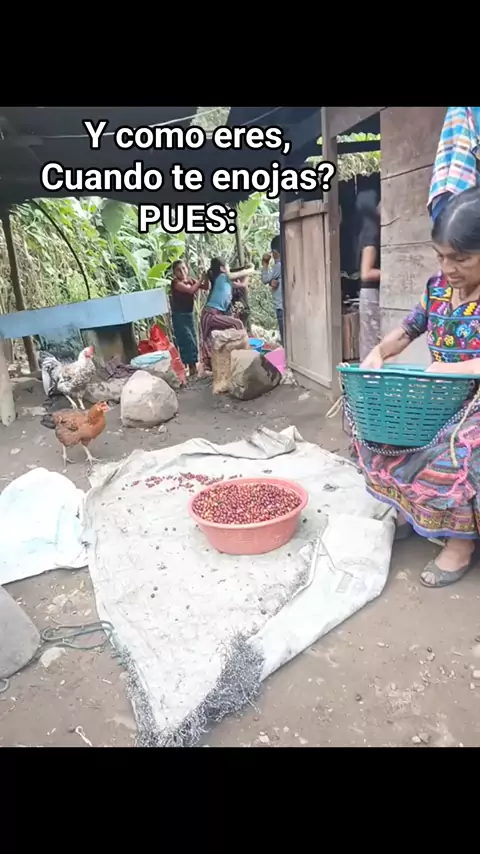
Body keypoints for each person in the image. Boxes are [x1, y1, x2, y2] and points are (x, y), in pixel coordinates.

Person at [357, 187, 480, 588]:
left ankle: (460, 544)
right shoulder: (437, 289)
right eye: (440, 256)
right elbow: (409, 329)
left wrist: (452, 369)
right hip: (439, 396)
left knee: (455, 452)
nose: (448, 268)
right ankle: (413, 512)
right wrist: (378, 353)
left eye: (461, 258)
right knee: (381, 432)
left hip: (475, 403)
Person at [200, 258, 245, 370]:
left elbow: (243, 285)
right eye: (228, 266)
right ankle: (243, 356)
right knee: (237, 324)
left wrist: (247, 275)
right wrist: (250, 269)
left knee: (212, 340)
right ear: (222, 268)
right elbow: (239, 274)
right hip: (210, 314)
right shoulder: (222, 277)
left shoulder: (226, 281)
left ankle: (215, 365)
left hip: (214, 314)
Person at [169, 260, 206, 378]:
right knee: (186, 340)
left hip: (189, 315)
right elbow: (191, 290)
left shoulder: (190, 280)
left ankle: (193, 368)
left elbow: (205, 287)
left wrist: (205, 277)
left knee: (192, 340)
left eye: (183, 268)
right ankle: (191, 369)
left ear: (187, 268)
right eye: (178, 270)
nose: (182, 271)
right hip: (179, 316)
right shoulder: (176, 283)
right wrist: (200, 279)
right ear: (174, 273)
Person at [356, 190, 381, 362]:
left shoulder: (366, 229)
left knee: (369, 340)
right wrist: (392, 274)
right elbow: (366, 273)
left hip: (368, 294)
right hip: (371, 294)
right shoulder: (371, 232)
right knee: (372, 341)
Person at [262, 235, 284, 346]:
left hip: (281, 307)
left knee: (285, 337)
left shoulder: (278, 265)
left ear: (275, 253)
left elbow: (265, 279)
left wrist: (265, 263)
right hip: (287, 306)